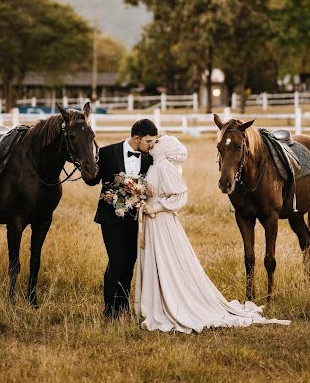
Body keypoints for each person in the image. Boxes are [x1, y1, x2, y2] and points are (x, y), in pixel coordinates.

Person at [135, 134, 290, 333]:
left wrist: (156, 207)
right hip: (152, 222)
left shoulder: (163, 166)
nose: (151, 146)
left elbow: (180, 195)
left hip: (159, 220)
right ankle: (157, 302)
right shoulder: (156, 166)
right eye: (150, 142)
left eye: (154, 142)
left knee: (168, 261)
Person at [84, 118, 158, 319]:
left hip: (136, 219)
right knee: (116, 261)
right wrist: (86, 161)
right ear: (136, 138)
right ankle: (109, 310)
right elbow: (92, 181)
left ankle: (122, 306)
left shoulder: (149, 159)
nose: (151, 146)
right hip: (111, 218)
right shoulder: (107, 153)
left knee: (130, 262)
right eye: (149, 142)